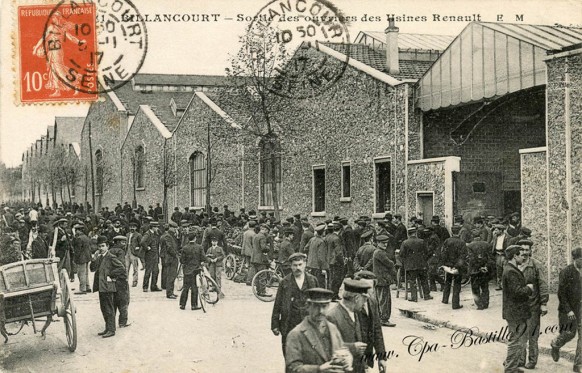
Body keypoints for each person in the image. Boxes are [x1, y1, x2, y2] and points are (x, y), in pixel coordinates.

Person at [285, 288, 352, 373]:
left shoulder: (333, 329)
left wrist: (347, 359)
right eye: (316, 306)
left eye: (324, 306)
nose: (320, 311)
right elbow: (291, 369)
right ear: (308, 306)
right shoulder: (296, 334)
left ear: (328, 306)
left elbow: (342, 349)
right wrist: (318, 369)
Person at [271, 252, 319, 356]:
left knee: (309, 355)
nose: (298, 268)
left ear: (305, 264)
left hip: (308, 324)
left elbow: (319, 303)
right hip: (289, 323)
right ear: (291, 266)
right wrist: (275, 324)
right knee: (290, 355)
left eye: (300, 264)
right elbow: (278, 303)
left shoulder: (312, 280)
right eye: (295, 265)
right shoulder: (285, 282)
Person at [326, 279, 371, 373]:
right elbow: (326, 347)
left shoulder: (355, 313)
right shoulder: (332, 316)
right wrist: (352, 347)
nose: (364, 304)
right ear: (356, 298)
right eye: (364, 300)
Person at [502, 245, 534, 373]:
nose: (524, 257)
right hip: (515, 312)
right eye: (522, 255)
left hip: (515, 311)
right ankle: (510, 369)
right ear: (514, 256)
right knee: (515, 341)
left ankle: (513, 367)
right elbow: (516, 292)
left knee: (517, 340)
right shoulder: (511, 271)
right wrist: (529, 288)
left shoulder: (511, 269)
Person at [517, 239, 549, 369]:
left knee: (533, 335)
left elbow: (542, 285)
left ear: (531, 251)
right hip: (519, 306)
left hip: (533, 306)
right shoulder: (515, 264)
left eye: (527, 250)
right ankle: (520, 359)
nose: (524, 252)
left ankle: (532, 360)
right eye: (522, 249)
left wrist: (544, 303)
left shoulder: (536, 265)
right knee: (520, 334)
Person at [551, 247, 582, 372]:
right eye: (581, 259)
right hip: (568, 309)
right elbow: (561, 294)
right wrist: (569, 310)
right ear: (574, 259)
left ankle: (578, 365)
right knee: (569, 334)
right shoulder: (566, 272)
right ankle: (556, 344)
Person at [90, 236, 126, 338]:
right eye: (99, 246)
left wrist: (110, 274)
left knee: (109, 308)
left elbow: (122, 268)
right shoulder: (99, 257)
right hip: (101, 286)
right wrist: (93, 260)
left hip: (108, 286)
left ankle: (111, 330)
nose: (101, 248)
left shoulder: (111, 257)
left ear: (107, 246)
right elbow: (92, 269)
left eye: (103, 246)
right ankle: (107, 328)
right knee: (103, 308)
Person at [353, 271, 388, 372]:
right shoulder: (352, 306)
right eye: (363, 288)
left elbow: (377, 330)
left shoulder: (372, 302)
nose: (366, 292)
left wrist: (381, 357)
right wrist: (362, 365)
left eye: (369, 288)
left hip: (367, 356)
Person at [399, 227, 432, 302]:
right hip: (422, 264)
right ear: (415, 233)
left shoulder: (405, 242)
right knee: (424, 279)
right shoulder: (422, 241)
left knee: (412, 280)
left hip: (410, 265)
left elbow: (401, 254)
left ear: (408, 234)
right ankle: (426, 295)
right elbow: (427, 252)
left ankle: (414, 297)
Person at [372, 235, 397, 326]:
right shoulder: (380, 253)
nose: (385, 244)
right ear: (378, 243)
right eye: (383, 243)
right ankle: (384, 319)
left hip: (379, 279)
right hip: (382, 279)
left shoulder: (378, 251)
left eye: (386, 243)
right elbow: (389, 263)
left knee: (379, 298)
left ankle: (379, 317)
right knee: (384, 300)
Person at [179, 231, 207, 310]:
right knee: (194, 287)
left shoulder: (185, 247)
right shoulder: (199, 247)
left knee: (186, 287)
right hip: (196, 270)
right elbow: (203, 258)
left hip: (187, 270)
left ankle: (182, 305)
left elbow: (182, 261)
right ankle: (193, 305)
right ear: (195, 238)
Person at [441, 225, 467, 309]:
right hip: (457, 267)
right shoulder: (462, 242)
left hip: (448, 266)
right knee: (457, 284)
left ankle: (445, 299)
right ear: (459, 232)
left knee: (447, 282)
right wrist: (457, 266)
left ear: (451, 232)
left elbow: (443, 254)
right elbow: (463, 256)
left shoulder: (447, 241)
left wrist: (446, 264)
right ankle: (455, 304)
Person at [466, 233, 493, 309]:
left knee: (475, 288)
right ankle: (486, 303)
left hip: (475, 270)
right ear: (480, 236)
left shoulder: (470, 245)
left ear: (473, 236)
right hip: (485, 270)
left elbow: (472, 259)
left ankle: (479, 304)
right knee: (485, 287)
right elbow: (490, 258)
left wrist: (478, 267)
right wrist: (485, 267)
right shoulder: (487, 244)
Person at [110, 235, 131, 328]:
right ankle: (123, 322)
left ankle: (111, 323)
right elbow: (121, 266)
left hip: (111, 280)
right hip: (121, 279)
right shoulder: (120, 252)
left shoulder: (110, 251)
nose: (124, 244)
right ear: (117, 242)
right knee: (124, 301)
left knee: (112, 301)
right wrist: (124, 277)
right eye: (123, 242)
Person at [160, 222, 180, 298]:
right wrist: (175, 255)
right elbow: (169, 248)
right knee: (171, 276)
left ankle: (171, 291)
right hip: (171, 259)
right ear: (171, 228)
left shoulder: (170, 236)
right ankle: (169, 293)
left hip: (171, 258)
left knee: (172, 275)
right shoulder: (168, 236)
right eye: (175, 228)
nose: (176, 230)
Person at [141, 221, 161, 292]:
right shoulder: (147, 234)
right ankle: (145, 287)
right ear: (153, 227)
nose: (157, 228)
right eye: (156, 227)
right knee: (148, 271)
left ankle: (153, 286)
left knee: (156, 271)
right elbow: (142, 242)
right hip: (149, 255)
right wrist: (147, 248)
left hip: (155, 255)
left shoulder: (155, 234)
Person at [306, 224, 329, 288]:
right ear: (323, 232)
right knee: (320, 284)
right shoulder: (321, 242)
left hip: (310, 264)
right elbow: (321, 257)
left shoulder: (312, 239)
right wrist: (323, 268)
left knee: (312, 283)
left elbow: (305, 248)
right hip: (318, 267)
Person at [326, 223, 344, 301]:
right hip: (335, 261)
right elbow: (338, 252)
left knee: (330, 278)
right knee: (336, 279)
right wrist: (342, 262)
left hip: (328, 261)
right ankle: (334, 295)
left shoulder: (327, 237)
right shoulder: (336, 238)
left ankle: (331, 294)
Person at [73, 223, 93, 294]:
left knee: (81, 274)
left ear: (79, 230)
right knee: (86, 273)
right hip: (87, 257)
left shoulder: (79, 238)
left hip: (81, 258)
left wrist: (75, 258)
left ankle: (82, 289)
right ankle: (88, 287)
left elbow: (78, 250)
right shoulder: (86, 237)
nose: (76, 232)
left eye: (76, 230)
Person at [492, 223, 510, 290]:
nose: (495, 232)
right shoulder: (495, 237)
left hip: (504, 255)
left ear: (501, 230)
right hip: (497, 254)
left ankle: (506, 285)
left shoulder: (507, 237)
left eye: (496, 230)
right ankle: (499, 285)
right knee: (498, 271)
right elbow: (493, 244)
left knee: (505, 270)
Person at [125, 222, 142, 287]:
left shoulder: (138, 235)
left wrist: (137, 250)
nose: (132, 228)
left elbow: (141, 244)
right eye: (131, 227)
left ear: (136, 228)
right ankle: (125, 281)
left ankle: (135, 281)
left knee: (135, 268)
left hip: (134, 253)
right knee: (126, 268)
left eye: (133, 227)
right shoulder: (127, 234)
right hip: (127, 252)